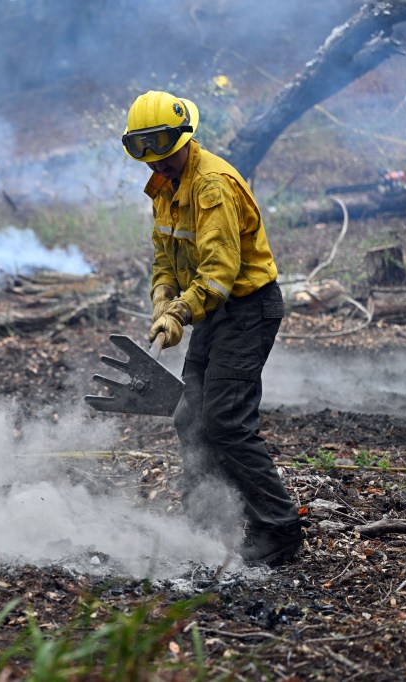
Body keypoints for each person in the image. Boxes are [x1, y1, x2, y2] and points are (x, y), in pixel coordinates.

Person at [122, 90, 301, 567]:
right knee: (189, 415)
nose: (154, 163)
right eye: (144, 151)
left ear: (185, 138)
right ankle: (209, 519)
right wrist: (162, 296)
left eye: (162, 150)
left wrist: (179, 313)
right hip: (210, 309)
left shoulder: (212, 185)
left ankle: (279, 528)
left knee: (226, 420)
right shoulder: (164, 184)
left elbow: (220, 275)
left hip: (246, 307)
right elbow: (165, 256)